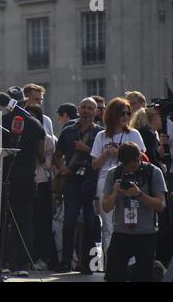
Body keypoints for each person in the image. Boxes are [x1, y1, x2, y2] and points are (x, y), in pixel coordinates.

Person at [102, 142, 167, 282]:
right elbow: (106, 207)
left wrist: (139, 194)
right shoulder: (114, 173)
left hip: (145, 233)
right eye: (126, 167)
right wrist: (114, 193)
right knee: (113, 274)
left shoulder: (153, 172)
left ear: (139, 159)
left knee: (144, 276)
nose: (130, 171)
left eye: (132, 167)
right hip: (121, 232)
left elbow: (161, 205)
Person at [53, 98, 103, 274]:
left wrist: (86, 149)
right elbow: (56, 155)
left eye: (91, 108)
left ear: (96, 111)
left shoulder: (100, 133)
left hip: (91, 181)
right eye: (84, 108)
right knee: (69, 222)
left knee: (90, 223)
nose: (87, 111)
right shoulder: (68, 131)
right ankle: (66, 262)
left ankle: (88, 264)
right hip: (72, 181)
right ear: (79, 109)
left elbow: (103, 158)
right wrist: (62, 167)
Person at [91, 97, 146, 256]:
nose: (126, 116)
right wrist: (107, 153)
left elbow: (142, 158)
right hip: (105, 180)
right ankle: (111, 265)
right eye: (122, 113)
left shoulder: (133, 134)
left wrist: (121, 153)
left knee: (130, 222)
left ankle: (129, 263)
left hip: (129, 180)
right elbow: (94, 165)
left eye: (128, 113)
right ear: (113, 114)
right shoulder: (101, 136)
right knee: (107, 226)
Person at [2, 88, 46, 277]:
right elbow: (42, 156)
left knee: (3, 221)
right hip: (27, 178)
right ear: (24, 102)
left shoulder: (1, 121)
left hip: (5, 178)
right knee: (24, 222)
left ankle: (3, 262)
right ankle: (22, 265)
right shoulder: (35, 123)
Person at [26, 104, 56, 272]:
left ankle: (43, 258)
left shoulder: (48, 139)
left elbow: (46, 162)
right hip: (25, 182)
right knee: (27, 222)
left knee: (42, 223)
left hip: (42, 183)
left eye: (33, 116)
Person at [130, 107, 168, 173]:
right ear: (154, 117)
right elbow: (151, 158)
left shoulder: (152, 133)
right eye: (160, 115)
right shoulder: (146, 133)